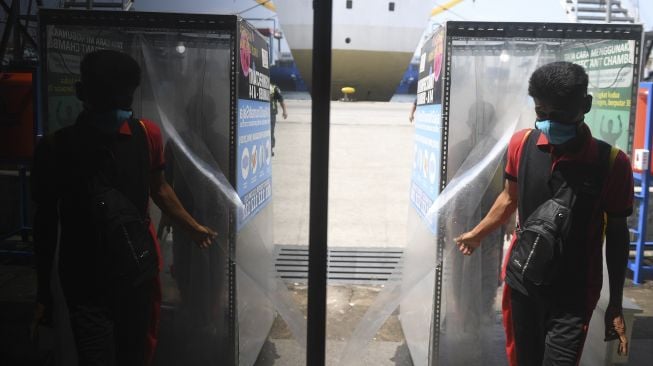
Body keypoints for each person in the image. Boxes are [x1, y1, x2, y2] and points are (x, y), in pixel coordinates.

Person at [31, 49, 217, 366]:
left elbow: (160, 188)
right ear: (82, 93)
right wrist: (43, 291)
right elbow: (44, 225)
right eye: (109, 100)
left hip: (137, 273)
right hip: (85, 280)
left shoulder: (147, 135)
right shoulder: (53, 149)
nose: (119, 109)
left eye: (124, 100)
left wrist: (192, 226)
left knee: (137, 354)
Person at [455, 61, 632, 366]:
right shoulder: (521, 144)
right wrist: (477, 234)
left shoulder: (612, 163)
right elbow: (508, 198)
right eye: (541, 113)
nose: (549, 122)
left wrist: (615, 302)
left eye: (560, 115)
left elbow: (617, 234)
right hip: (522, 281)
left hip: (574, 292)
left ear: (585, 105)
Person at [270, 83, 287, 155]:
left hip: (271, 114)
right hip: (261, 113)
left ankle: (270, 148)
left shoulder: (274, 88)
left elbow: (281, 100)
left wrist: (284, 111)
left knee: (270, 131)